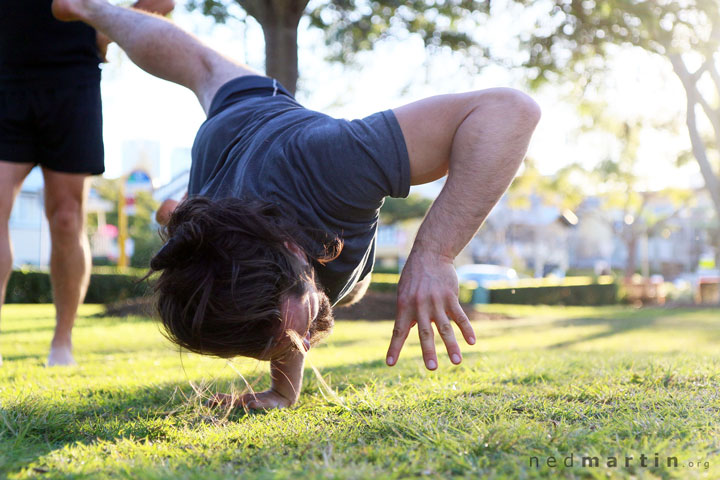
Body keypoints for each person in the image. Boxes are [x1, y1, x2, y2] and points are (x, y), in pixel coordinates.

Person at [51, 0, 541, 407]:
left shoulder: (331, 162)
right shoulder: (232, 248)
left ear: (292, 247)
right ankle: (96, 12)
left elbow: (508, 110)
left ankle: (90, 9)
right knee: (199, 82)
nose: (302, 343)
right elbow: (264, 297)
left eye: (287, 339)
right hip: (221, 160)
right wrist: (282, 389)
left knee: (204, 79)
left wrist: (434, 254)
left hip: (250, 127)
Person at [0, 0, 173, 367]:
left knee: (66, 218)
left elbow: (163, 1)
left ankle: (62, 343)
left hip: (71, 78)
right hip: (4, 75)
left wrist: (103, 32)